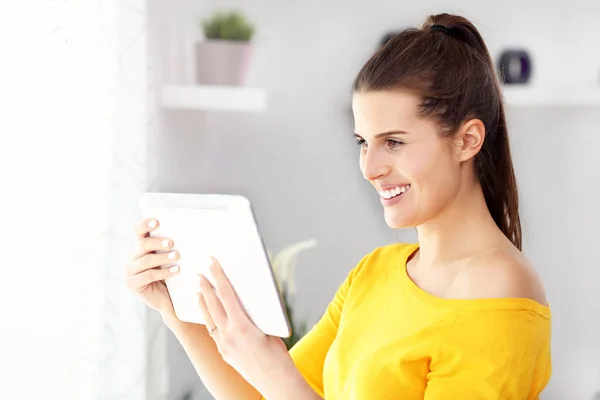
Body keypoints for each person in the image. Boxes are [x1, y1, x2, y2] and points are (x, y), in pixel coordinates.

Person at [125, 13, 551, 400]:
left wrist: (274, 372)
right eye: (363, 143)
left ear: (467, 140)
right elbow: (263, 396)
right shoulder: (375, 274)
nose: (370, 167)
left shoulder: (499, 287)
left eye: (394, 142)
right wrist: (175, 310)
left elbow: (282, 387)